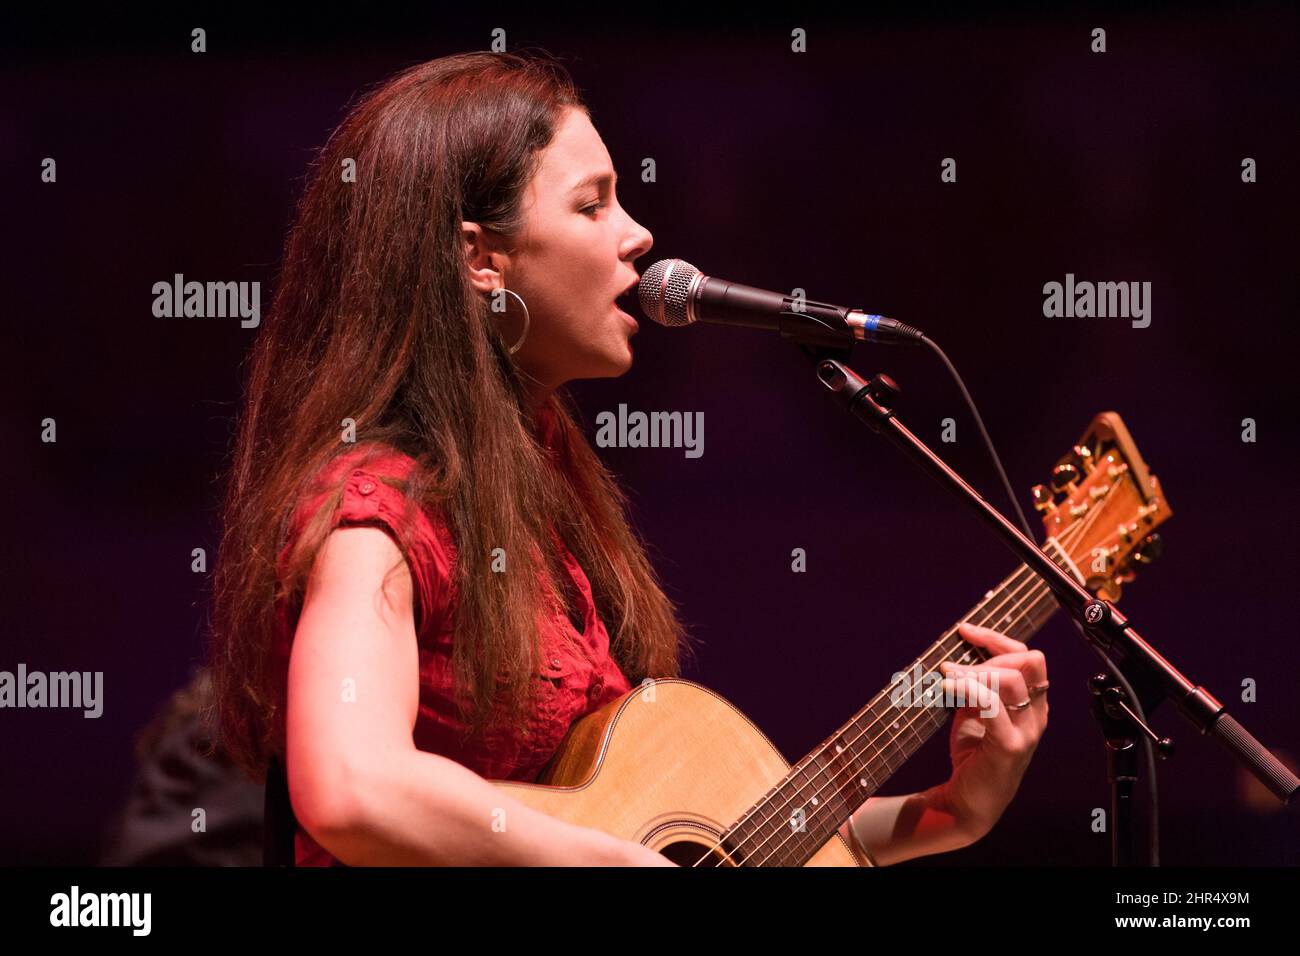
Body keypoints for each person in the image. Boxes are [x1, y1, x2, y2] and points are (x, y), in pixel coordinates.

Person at [206, 51, 1049, 867]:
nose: (641, 235)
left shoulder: (541, 492)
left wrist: (947, 814)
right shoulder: (379, 504)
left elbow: (703, 848)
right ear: (476, 259)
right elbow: (353, 788)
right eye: (592, 205)